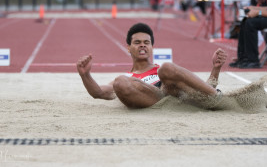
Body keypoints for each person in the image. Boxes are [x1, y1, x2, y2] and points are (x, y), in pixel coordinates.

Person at [77, 23, 227, 108]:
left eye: (146, 43)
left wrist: (216, 68)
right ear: (128, 48)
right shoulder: (128, 78)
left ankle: (218, 98)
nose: (142, 46)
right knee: (120, 82)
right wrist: (85, 75)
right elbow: (99, 93)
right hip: (153, 100)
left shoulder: (164, 71)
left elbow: (203, 86)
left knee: (167, 68)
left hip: (175, 94)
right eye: (137, 43)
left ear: (151, 47)